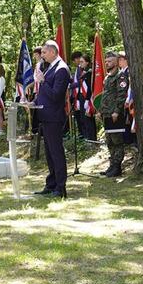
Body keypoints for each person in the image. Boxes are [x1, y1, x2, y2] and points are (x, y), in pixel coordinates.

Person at [33, 41, 71, 198]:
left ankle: (60, 187)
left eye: (44, 52)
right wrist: (33, 103)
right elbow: (44, 93)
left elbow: (56, 95)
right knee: (49, 153)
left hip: (54, 117)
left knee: (56, 152)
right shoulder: (49, 68)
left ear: (53, 52)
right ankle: (51, 183)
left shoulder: (61, 69)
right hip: (45, 115)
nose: (42, 55)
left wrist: (42, 81)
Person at [99, 51, 129, 177]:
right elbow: (105, 96)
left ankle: (117, 167)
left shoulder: (120, 76)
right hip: (106, 113)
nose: (107, 63)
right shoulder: (107, 77)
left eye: (109, 61)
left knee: (117, 141)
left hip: (115, 114)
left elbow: (122, 95)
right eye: (106, 61)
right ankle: (112, 165)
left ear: (116, 62)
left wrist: (117, 111)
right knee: (110, 141)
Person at [77, 54, 97, 141]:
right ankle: (87, 137)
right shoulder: (83, 72)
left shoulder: (89, 72)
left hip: (87, 98)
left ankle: (92, 138)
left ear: (87, 62)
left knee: (88, 118)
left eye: (82, 62)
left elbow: (89, 87)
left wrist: (87, 100)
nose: (80, 63)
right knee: (83, 118)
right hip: (82, 97)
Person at [69, 51, 85, 138]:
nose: (74, 62)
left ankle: (84, 134)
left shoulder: (81, 69)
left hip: (81, 95)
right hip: (76, 96)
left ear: (77, 59)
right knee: (78, 116)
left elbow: (80, 82)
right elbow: (75, 80)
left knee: (82, 116)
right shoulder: (77, 69)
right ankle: (81, 133)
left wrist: (70, 86)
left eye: (74, 60)